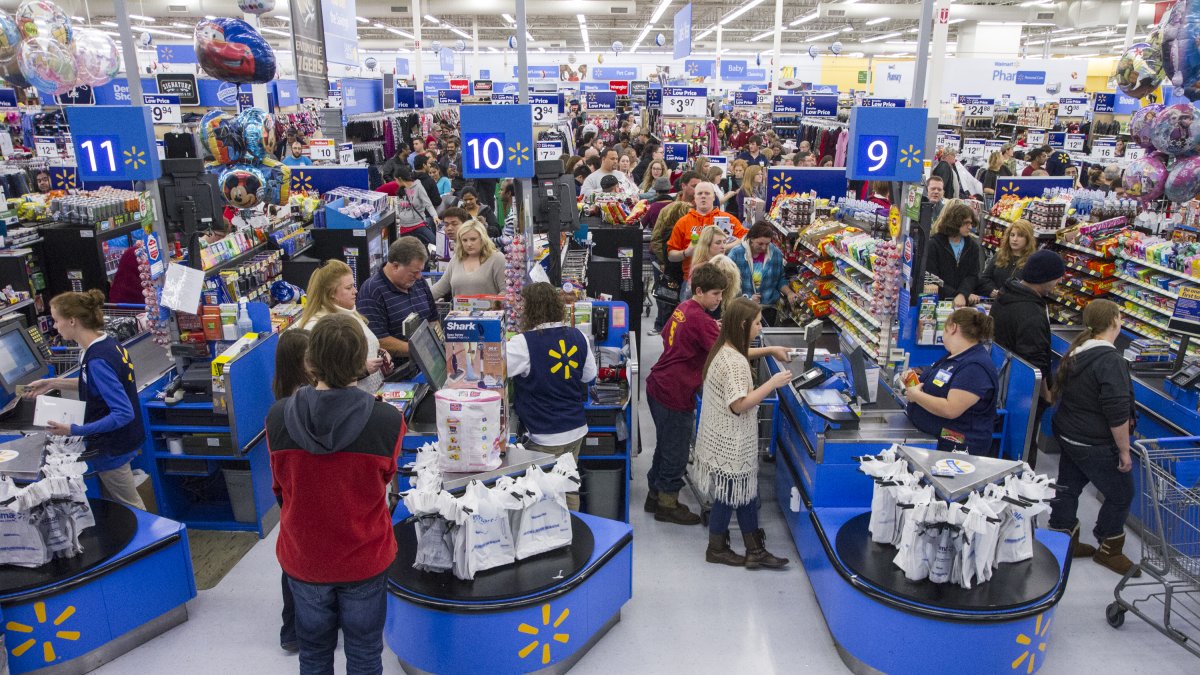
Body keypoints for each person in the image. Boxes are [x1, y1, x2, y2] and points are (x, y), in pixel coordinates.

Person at [267, 314, 404, 675]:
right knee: (364, 652)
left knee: (313, 652)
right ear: (361, 360)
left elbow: (280, 487)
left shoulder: (278, 417)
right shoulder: (387, 421)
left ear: (310, 361)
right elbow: (386, 479)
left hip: (305, 556)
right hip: (364, 555)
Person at [645, 265, 791, 524]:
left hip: (659, 386)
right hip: (674, 395)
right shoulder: (701, 320)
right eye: (715, 294)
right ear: (698, 291)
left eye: (722, 294)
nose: (719, 299)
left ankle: (654, 495)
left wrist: (710, 326)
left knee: (665, 445)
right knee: (676, 452)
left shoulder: (686, 309)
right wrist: (771, 350)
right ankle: (667, 505)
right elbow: (730, 354)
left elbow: (669, 334)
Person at [694, 297, 793, 569]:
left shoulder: (723, 349)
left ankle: (754, 550)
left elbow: (741, 355)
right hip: (732, 442)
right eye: (758, 323)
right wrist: (773, 383)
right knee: (730, 497)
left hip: (718, 437)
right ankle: (717, 549)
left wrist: (770, 349)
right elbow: (739, 405)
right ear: (743, 324)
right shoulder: (734, 364)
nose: (761, 327)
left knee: (745, 494)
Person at [23, 290, 147, 509]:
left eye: (56, 320)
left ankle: (158, 542)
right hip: (122, 440)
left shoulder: (97, 359)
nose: (54, 326)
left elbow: (123, 413)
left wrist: (74, 430)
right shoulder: (105, 345)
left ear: (72, 321)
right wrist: (52, 383)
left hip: (112, 447)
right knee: (120, 506)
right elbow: (94, 384)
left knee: (132, 508)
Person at [1046, 299, 1139, 576]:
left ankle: (1064, 538)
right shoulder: (1111, 361)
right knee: (1122, 493)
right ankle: (1109, 548)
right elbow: (1117, 413)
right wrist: (1124, 451)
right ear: (1115, 322)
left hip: (1068, 433)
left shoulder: (1077, 352)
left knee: (1068, 486)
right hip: (1094, 441)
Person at [507, 283, 597, 511]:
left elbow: (495, 370)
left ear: (530, 310)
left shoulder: (523, 344)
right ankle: (573, 533)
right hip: (575, 429)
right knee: (568, 485)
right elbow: (589, 376)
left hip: (543, 435)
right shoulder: (578, 336)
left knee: (542, 495)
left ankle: (549, 539)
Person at [991, 249, 1065, 468]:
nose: (1058, 281)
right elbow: (1035, 361)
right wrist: (1047, 394)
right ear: (1044, 277)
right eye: (1056, 277)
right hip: (1022, 393)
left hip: (1003, 380)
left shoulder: (1008, 294)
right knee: (1024, 447)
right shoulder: (1031, 313)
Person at [903, 309, 999, 456]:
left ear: (953, 327)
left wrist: (916, 396)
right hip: (935, 440)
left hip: (956, 448)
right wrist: (912, 384)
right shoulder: (955, 357)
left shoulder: (975, 367)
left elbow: (950, 409)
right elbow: (933, 386)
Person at [271, 329, 312, 654]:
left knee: (296, 565)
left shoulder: (280, 406)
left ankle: (294, 631)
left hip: (292, 500)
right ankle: (294, 630)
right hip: (301, 499)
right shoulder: (295, 409)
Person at [298, 260, 389, 394]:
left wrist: (381, 354)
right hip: (348, 406)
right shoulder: (317, 327)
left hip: (371, 396)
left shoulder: (350, 312)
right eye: (349, 288)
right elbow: (321, 378)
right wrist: (361, 371)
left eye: (353, 286)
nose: (355, 291)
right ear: (331, 293)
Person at [357, 237, 439, 358]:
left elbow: (433, 319)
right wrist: (421, 351)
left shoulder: (419, 283)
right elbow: (379, 340)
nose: (419, 276)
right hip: (398, 372)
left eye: (420, 271)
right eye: (414, 272)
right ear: (395, 266)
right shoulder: (371, 292)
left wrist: (437, 343)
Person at [667, 182, 747, 281]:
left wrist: (725, 247)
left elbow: (745, 238)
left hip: (722, 277)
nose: (703, 196)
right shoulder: (683, 222)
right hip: (693, 279)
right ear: (695, 198)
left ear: (714, 197)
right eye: (700, 193)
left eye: (707, 193)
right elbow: (671, 256)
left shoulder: (728, 218)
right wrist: (686, 252)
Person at [728, 222, 793, 325]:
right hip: (743, 310)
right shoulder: (736, 254)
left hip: (768, 309)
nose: (764, 247)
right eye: (760, 244)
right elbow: (729, 286)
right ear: (751, 238)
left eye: (767, 244)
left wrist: (789, 293)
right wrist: (747, 298)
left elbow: (780, 279)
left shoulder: (775, 254)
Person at [923, 202, 983, 308]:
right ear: (955, 222)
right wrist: (955, 295)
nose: (970, 227)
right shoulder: (934, 244)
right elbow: (931, 276)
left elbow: (973, 275)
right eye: (966, 223)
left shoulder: (972, 246)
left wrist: (962, 294)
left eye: (971, 223)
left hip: (963, 302)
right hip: (938, 302)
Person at [649, 201, 696, 335]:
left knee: (668, 307)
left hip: (670, 274)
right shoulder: (676, 232)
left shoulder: (666, 231)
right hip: (678, 274)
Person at [431, 219, 505, 300]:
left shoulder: (497, 258)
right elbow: (439, 288)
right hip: (459, 312)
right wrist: (419, 298)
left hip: (490, 312)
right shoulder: (456, 259)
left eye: (473, 239)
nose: (469, 244)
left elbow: (506, 292)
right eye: (464, 240)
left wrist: (492, 305)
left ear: (482, 238)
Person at [379, 166, 439, 246]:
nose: (395, 182)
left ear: (400, 178)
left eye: (396, 179)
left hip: (419, 224)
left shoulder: (418, 187)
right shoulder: (400, 190)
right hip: (404, 227)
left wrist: (435, 216)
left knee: (433, 242)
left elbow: (428, 204)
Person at [977, 219, 1035, 299]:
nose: (1015, 239)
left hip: (1017, 305)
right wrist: (992, 290)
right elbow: (985, 278)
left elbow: (1032, 290)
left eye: (1020, 236)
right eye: (1012, 235)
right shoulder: (1000, 254)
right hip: (995, 302)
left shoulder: (1032, 261)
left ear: (1028, 239)